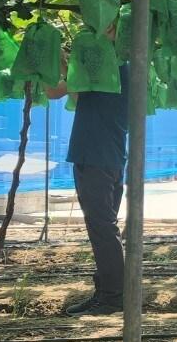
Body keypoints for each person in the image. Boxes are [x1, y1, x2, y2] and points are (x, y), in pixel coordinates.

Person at [49, 27, 129, 318]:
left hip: (94, 156)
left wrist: (51, 56)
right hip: (109, 156)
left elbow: (53, 90)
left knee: (101, 227)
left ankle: (112, 297)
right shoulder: (121, 68)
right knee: (105, 226)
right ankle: (109, 292)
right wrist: (68, 60)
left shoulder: (104, 68)